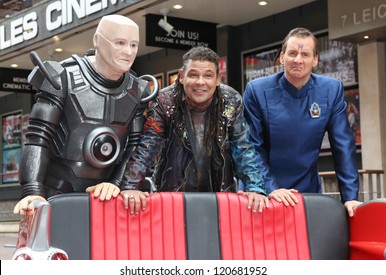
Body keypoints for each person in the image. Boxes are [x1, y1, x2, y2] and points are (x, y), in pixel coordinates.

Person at [14, 15, 154, 215]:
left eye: (133, 45)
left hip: (106, 200)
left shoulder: (138, 90)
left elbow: (136, 147)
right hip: (54, 196)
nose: (128, 52)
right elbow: (37, 138)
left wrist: (117, 183)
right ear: (97, 40)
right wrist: (32, 191)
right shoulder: (62, 77)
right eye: (120, 43)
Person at [120, 46, 268, 215]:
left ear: (218, 79)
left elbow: (243, 147)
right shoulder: (164, 101)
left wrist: (255, 189)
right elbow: (148, 144)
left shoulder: (231, 100)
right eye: (193, 74)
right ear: (182, 77)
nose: (200, 82)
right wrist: (131, 186)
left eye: (208, 75)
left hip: (220, 195)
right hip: (172, 196)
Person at [243, 27, 361, 217]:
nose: (298, 60)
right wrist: (269, 187)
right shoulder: (256, 90)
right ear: (282, 57)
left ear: (315, 60)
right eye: (292, 53)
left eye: (305, 54)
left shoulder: (331, 90)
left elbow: (343, 147)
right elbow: (252, 146)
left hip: (307, 192)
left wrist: (350, 197)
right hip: (260, 192)